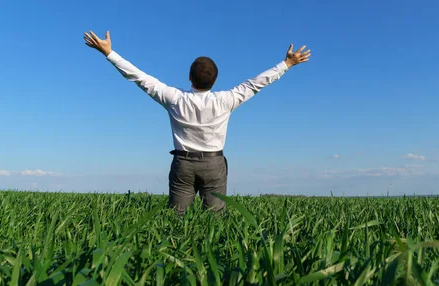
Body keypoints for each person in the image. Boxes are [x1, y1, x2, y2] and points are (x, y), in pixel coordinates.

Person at [83, 31, 311, 214]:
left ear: (190, 78)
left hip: (183, 164)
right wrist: (286, 64)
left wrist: (109, 53)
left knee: (176, 218)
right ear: (215, 80)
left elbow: (139, 77)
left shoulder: (174, 98)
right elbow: (256, 84)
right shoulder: (226, 100)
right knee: (214, 220)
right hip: (214, 165)